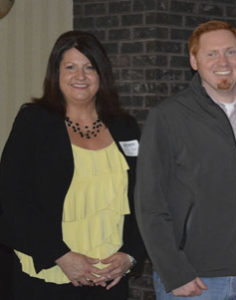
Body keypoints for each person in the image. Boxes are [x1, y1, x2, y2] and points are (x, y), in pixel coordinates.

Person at [135, 20, 236, 299]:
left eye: (231, 51)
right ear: (194, 61)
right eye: (211, 54)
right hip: (193, 279)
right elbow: (150, 202)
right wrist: (174, 270)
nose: (223, 61)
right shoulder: (168, 117)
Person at [0, 30, 146, 300]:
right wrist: (60, 255)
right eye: (70, 67)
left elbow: (144, 198)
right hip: (49, 278)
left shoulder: (125, 127)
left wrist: (131, 255)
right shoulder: (34, 122)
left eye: (90, 67)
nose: (80, 76)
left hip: (109, 281)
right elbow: (12, 200)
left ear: (102, 74)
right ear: (56, 74)